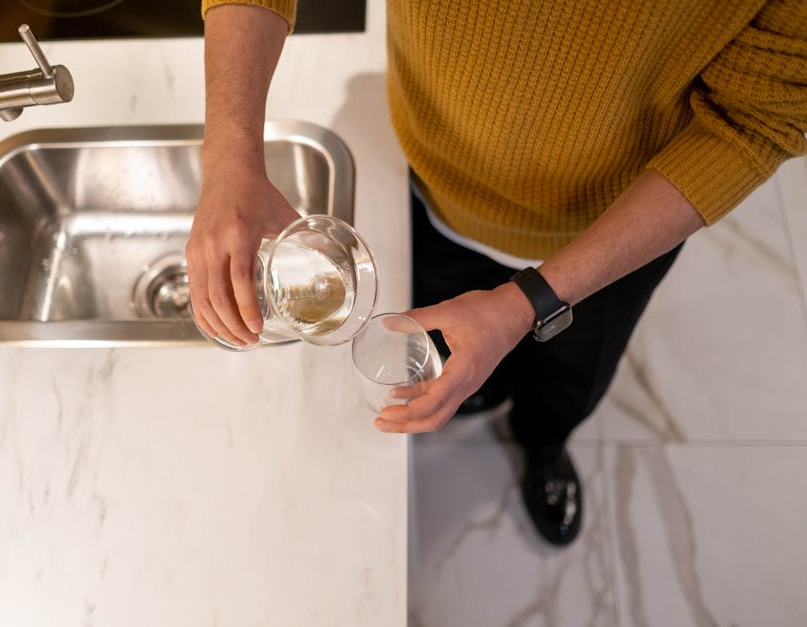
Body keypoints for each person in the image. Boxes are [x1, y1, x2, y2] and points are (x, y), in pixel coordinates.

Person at [186, 0, 807, 545]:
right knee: (451, 335)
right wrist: (229, 157)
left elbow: (753, 120)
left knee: (572, 373)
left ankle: (544, 445)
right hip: (433, 174)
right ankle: (485, 388)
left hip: (611, 228)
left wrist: (527, 301)